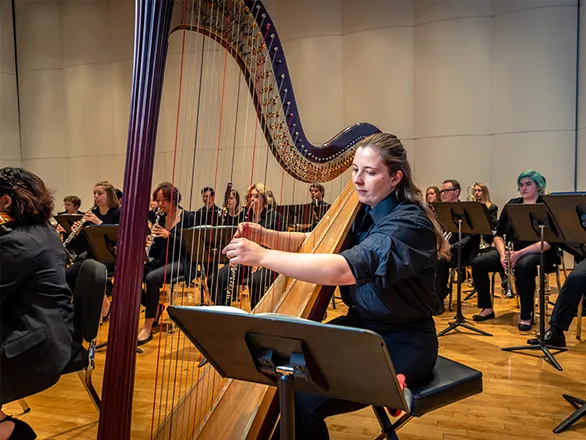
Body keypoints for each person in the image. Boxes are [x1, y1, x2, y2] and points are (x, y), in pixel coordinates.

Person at [222, 133, 447, 439]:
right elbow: (318, 244)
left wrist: (262, 257)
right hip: (360, 328)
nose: (357, 179)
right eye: (355, 170)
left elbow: (343, 269)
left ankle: (391, 383)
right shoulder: (363, 211)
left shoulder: (409, 223)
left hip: (402, 342)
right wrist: (266, 236)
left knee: (301, 400)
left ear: (396, 177)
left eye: (370, 172)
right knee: (284, 370)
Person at [0, 167, 76, 440]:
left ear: (6, 201)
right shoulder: (41, 230)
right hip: (49, 326)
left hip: (38, 346)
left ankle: (10, 430)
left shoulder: (18, 243)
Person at [471, 170, 557, 331]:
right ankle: (486, 308)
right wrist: (503, 254)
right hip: (511, 250)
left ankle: (526, 315)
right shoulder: (513, 204)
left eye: (528, 184)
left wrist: (518, 254)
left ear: (539, 186)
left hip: (540, 252)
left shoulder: (547, 206)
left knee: (524, 266)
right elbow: (498, 234)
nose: (523, 188)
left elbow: (550, 241)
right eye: (521, 184)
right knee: (478, 262)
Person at [208, 182, 284, 308]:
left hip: (266, 261)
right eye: (251, 197)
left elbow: (279, 243)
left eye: (256, 196)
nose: (252, 200)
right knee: (214, 279)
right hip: (247, 259)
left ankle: (257, 316)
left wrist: (260, 260)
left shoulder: (275, 217)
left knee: (255, 282)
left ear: (265, 199)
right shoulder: (245, 216)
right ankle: (222, 312)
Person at [139, 182, 195, 345]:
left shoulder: (188, 217)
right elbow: (158, 249)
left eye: (163, 200)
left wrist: (168, 235)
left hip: (182, 261)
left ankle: (147, 326)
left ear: (173, 199)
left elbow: (190, 246)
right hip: (162, 260)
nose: (159, 204)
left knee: (152, 278)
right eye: (157, 200)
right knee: (132, 276)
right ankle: (155, 307)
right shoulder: (160, 218)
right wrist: (150, 241)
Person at [434, 179, 479, 313]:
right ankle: (429, 297)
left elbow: (470, 237)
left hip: (462, 252)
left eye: (446, 191)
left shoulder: (467, 211)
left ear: (457, 192)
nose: (443, 194)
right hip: (444, 249)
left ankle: (438, 300)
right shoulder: (440, 211)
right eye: (442, 191)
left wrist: (449, 248)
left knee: (440, 261)